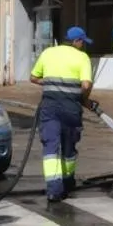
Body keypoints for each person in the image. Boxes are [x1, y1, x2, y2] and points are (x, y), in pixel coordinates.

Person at [30, 26, 101, 203]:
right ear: (76, 41)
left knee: (51, 147)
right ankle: (68, 182)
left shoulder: (48, 53)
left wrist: (51, 83)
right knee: (68, 148)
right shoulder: (82, 57)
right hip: (71, 108)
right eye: (82, 42)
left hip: (50, 107)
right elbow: (86, 85)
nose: (83, 45)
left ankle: (54, 190)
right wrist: (85, 100)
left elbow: (33, 77)